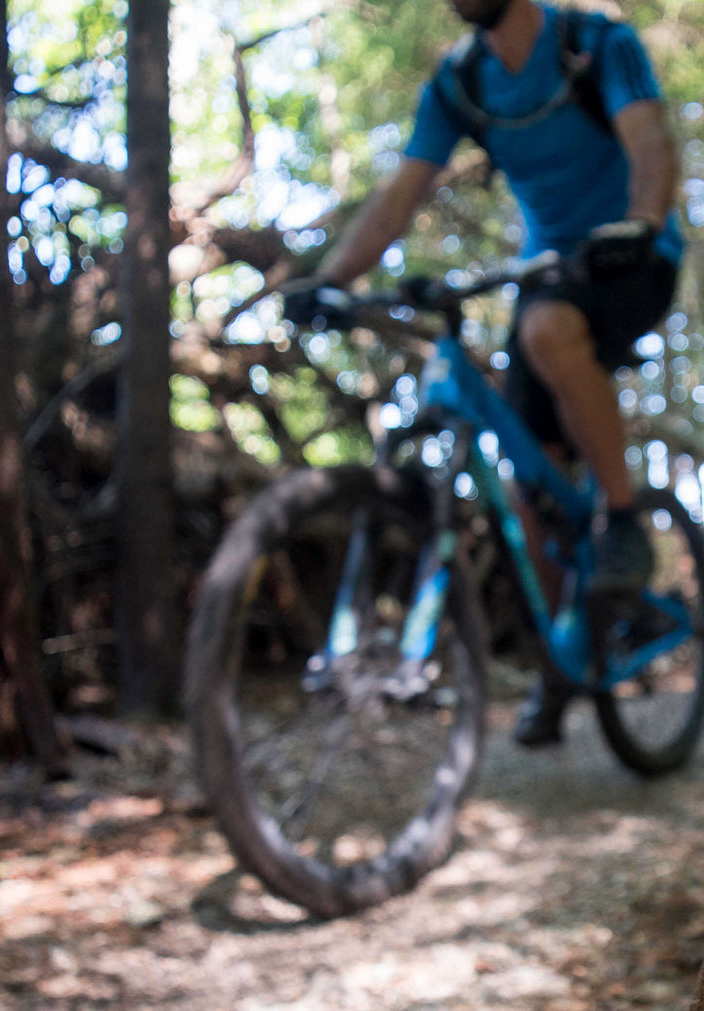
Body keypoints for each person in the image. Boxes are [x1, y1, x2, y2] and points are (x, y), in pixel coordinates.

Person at [287, 0, 683, 746]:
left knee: (545, 329)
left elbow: (650, 141)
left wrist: (642, 223)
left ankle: (625, 521)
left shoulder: (594, 45)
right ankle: (562, 662)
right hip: (547, 267)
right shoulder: (460, 84)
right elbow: (403, 190)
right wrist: (332, 279)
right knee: (529, 487)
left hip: (633, 254)